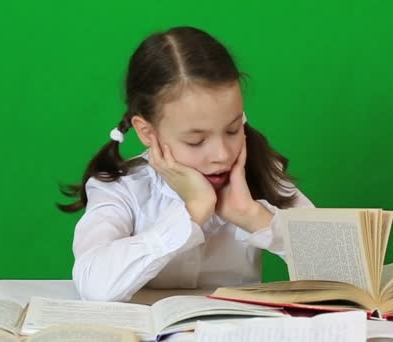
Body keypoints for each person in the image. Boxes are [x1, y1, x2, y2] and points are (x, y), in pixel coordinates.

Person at [58, 26, 314, 302]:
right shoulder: (121, 189)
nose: (222, 155)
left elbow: (349, 274)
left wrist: (252, 215)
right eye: (196, 141)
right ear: (147, 132)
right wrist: (192, 213)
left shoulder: (257, 172)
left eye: (232, 130)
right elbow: (94, 285)